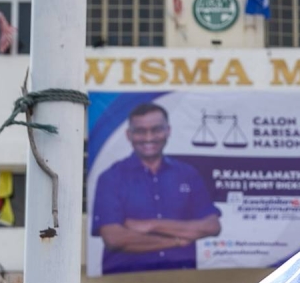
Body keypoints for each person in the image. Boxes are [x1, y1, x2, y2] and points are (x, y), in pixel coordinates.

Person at [91, 103, 221, 273]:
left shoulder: (188, 173)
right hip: (127, 280)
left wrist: (152, 225)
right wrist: (176, 241)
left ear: (168, 131)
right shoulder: (110, 178)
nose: (149, 137)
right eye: (140, 131)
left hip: (183, 278)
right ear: (129, 135)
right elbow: (114, 238)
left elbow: (212, 226)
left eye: (156, 129)